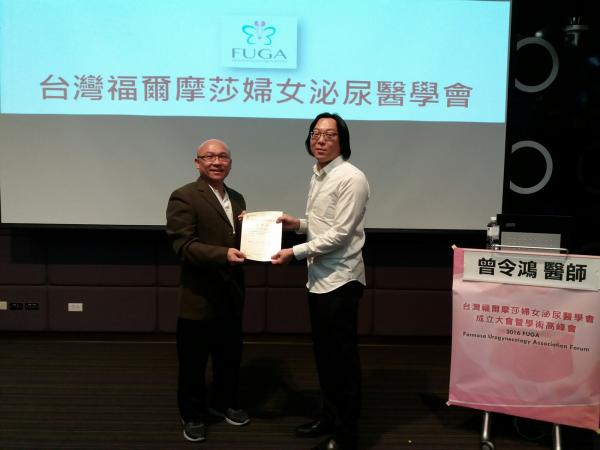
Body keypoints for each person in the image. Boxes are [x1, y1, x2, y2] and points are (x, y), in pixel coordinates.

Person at [271, 112, 370, 450]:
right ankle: (329, 416)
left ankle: (346, 433)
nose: (321, 140)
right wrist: (297, 224)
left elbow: (340, 234)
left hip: (341, 279)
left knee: (343, 361)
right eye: (316, 133)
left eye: (329, 134)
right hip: (318, 279)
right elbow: (322, 223)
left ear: (343, 140)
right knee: (325, 357)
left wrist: (294, 252)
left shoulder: (351, 178)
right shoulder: (318, 174)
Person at [166, 139, 250, 443]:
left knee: (229, 357)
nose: (217, 162)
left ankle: (225, 403)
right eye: (209, 156)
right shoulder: (184, 196)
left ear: (230, 162)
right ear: (197, 162)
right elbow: (183, 245)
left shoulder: (237, 198)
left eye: (223, 156)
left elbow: (241, 241)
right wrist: (223, 254)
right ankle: (192, 415)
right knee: (193, 363)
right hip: (198, 297)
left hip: (231, 294)